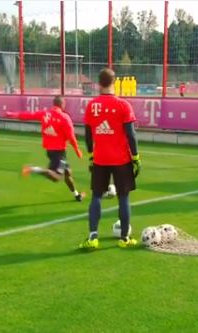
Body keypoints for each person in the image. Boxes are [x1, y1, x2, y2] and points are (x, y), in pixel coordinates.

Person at [79, 68, 140, 249]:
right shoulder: (123, 105)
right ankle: (124, 239)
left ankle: (93, 237)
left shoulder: (92, 105)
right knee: (123, 198)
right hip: (121, 159)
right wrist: (135, 157)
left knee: (96, 196)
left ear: (99, 83)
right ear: (115, 83)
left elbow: (88, 134)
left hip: (100, 159)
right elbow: (131, 134)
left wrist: (91, 155)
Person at [6, 95, 85, 202]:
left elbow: (29, 115)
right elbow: (71, 136)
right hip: (59, 152)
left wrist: (12, 115)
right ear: (62, 104)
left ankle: (76, 195)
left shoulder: (45, 114)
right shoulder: (64, 117)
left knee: (67, 172)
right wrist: (77, 150)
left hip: (50, 151)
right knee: (57, 177)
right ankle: (33, 169)